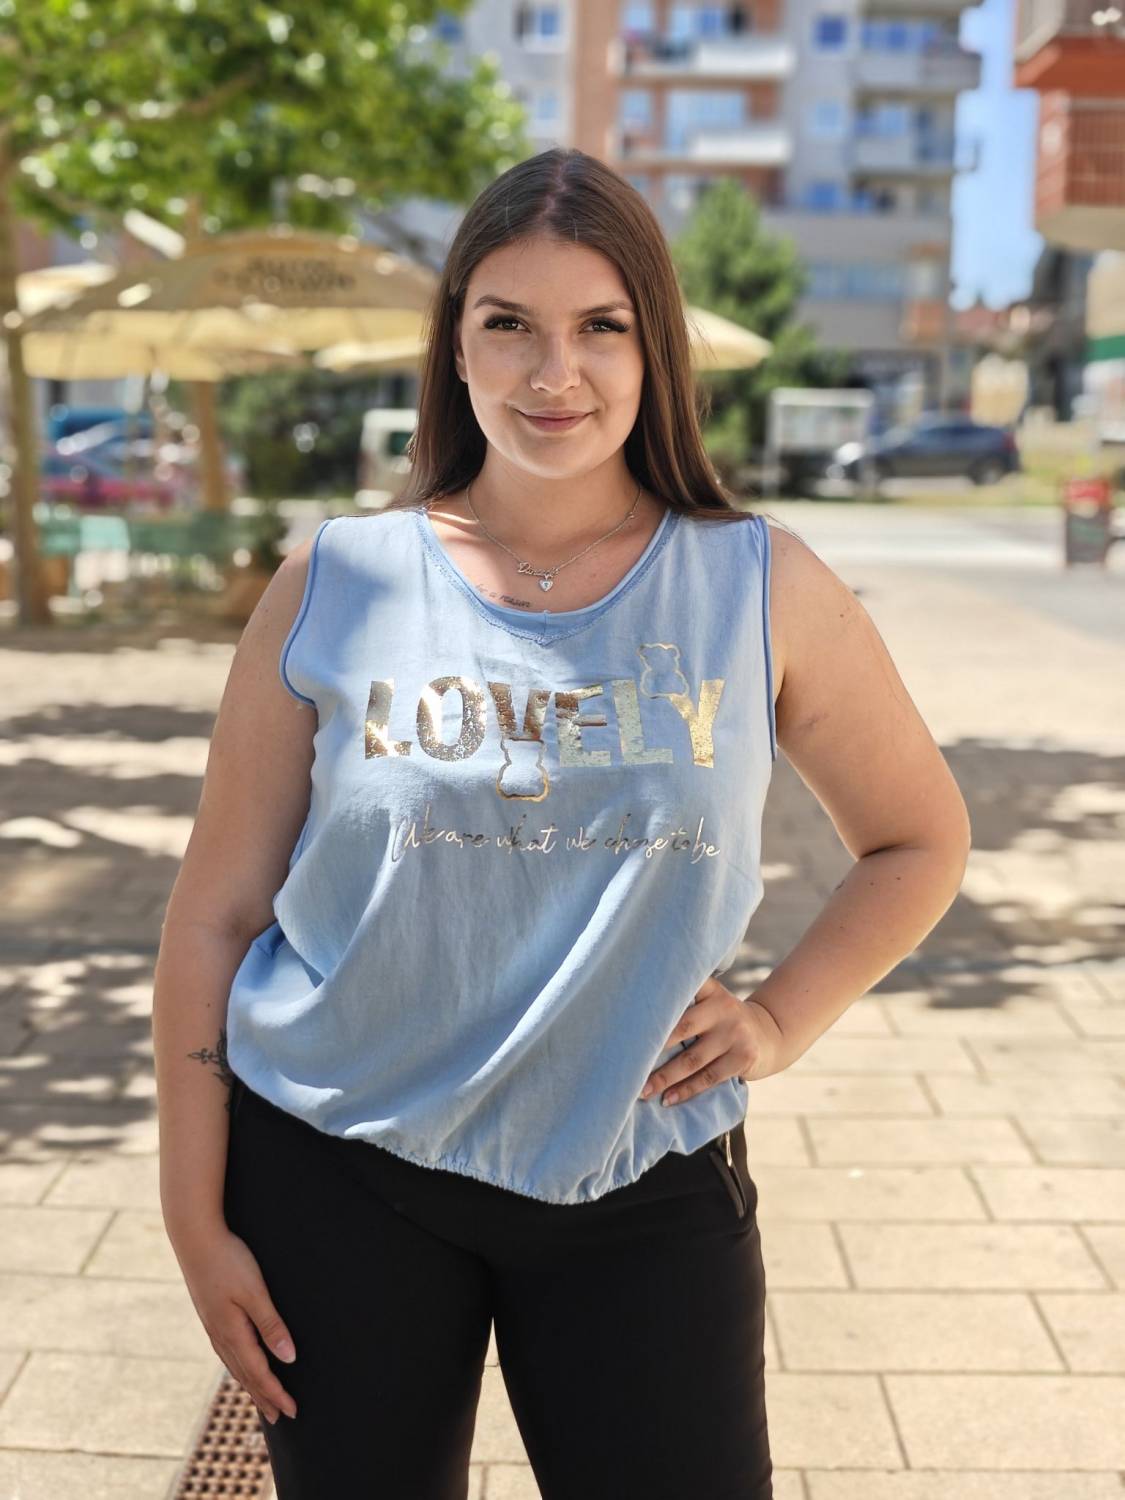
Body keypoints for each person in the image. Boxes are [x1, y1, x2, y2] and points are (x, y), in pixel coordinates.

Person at [153, 147, 971, 1500]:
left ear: (655, 350)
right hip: (337, 1171)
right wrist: (194, 1213)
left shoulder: (756, 583)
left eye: (602, 326)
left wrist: (779, 1022)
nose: (554, 373)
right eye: (508, 324)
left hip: (637, 1182)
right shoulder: (336, 580)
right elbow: (217, 913)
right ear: (454, 345)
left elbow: (920, 839)